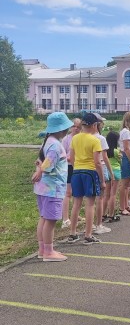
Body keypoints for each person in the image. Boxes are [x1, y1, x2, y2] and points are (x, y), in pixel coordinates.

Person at [32, 111, 74, 262]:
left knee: (44, 218)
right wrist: (41, 170)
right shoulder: (56, 145)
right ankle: (49, 252)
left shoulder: (48, 141)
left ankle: (43, 249)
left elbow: (42, 161)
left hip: (43, 188)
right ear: (62, 129)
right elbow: (48, 165)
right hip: (52, 188)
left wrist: (39, 169)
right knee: (50, 220)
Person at [68, 112, 105, 244]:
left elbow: (71, 158)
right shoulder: (95, 140)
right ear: (95, 125)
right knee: (90, 204)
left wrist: (76, 166)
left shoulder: (74, 138)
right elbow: (97, 162)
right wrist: (102, 180)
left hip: (76, 171)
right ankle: (88, 234)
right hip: (90, 172)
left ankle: (72, 233)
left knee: (76, 203)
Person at [92, 113, 113, 234]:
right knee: (100, 198)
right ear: (97, 124)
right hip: (100, 167)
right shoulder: (100, 138)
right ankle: (98, 224)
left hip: (87, 169)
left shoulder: (82, 137)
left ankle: (91, 226)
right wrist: (111, 173)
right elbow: (104, 158)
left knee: (89, 200)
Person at [61, 117, 82, 228]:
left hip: (78, 166)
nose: (76, 128)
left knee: (76, 193)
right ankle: (65, 218)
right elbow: (62, 154)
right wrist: (69, 158)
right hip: (69, 167)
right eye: (74, 126)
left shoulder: (81, 139)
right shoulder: (66, 139)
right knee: (68, 193)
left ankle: (75, 214)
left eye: (78, 127)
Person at [103, 130, 121, 222]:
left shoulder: (105, 151)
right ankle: (111, 214)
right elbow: (120, 161)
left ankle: (103, 214)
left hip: (107, 171)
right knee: (113, 194)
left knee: (106, 194)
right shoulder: (117, 151)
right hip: (116, 171)